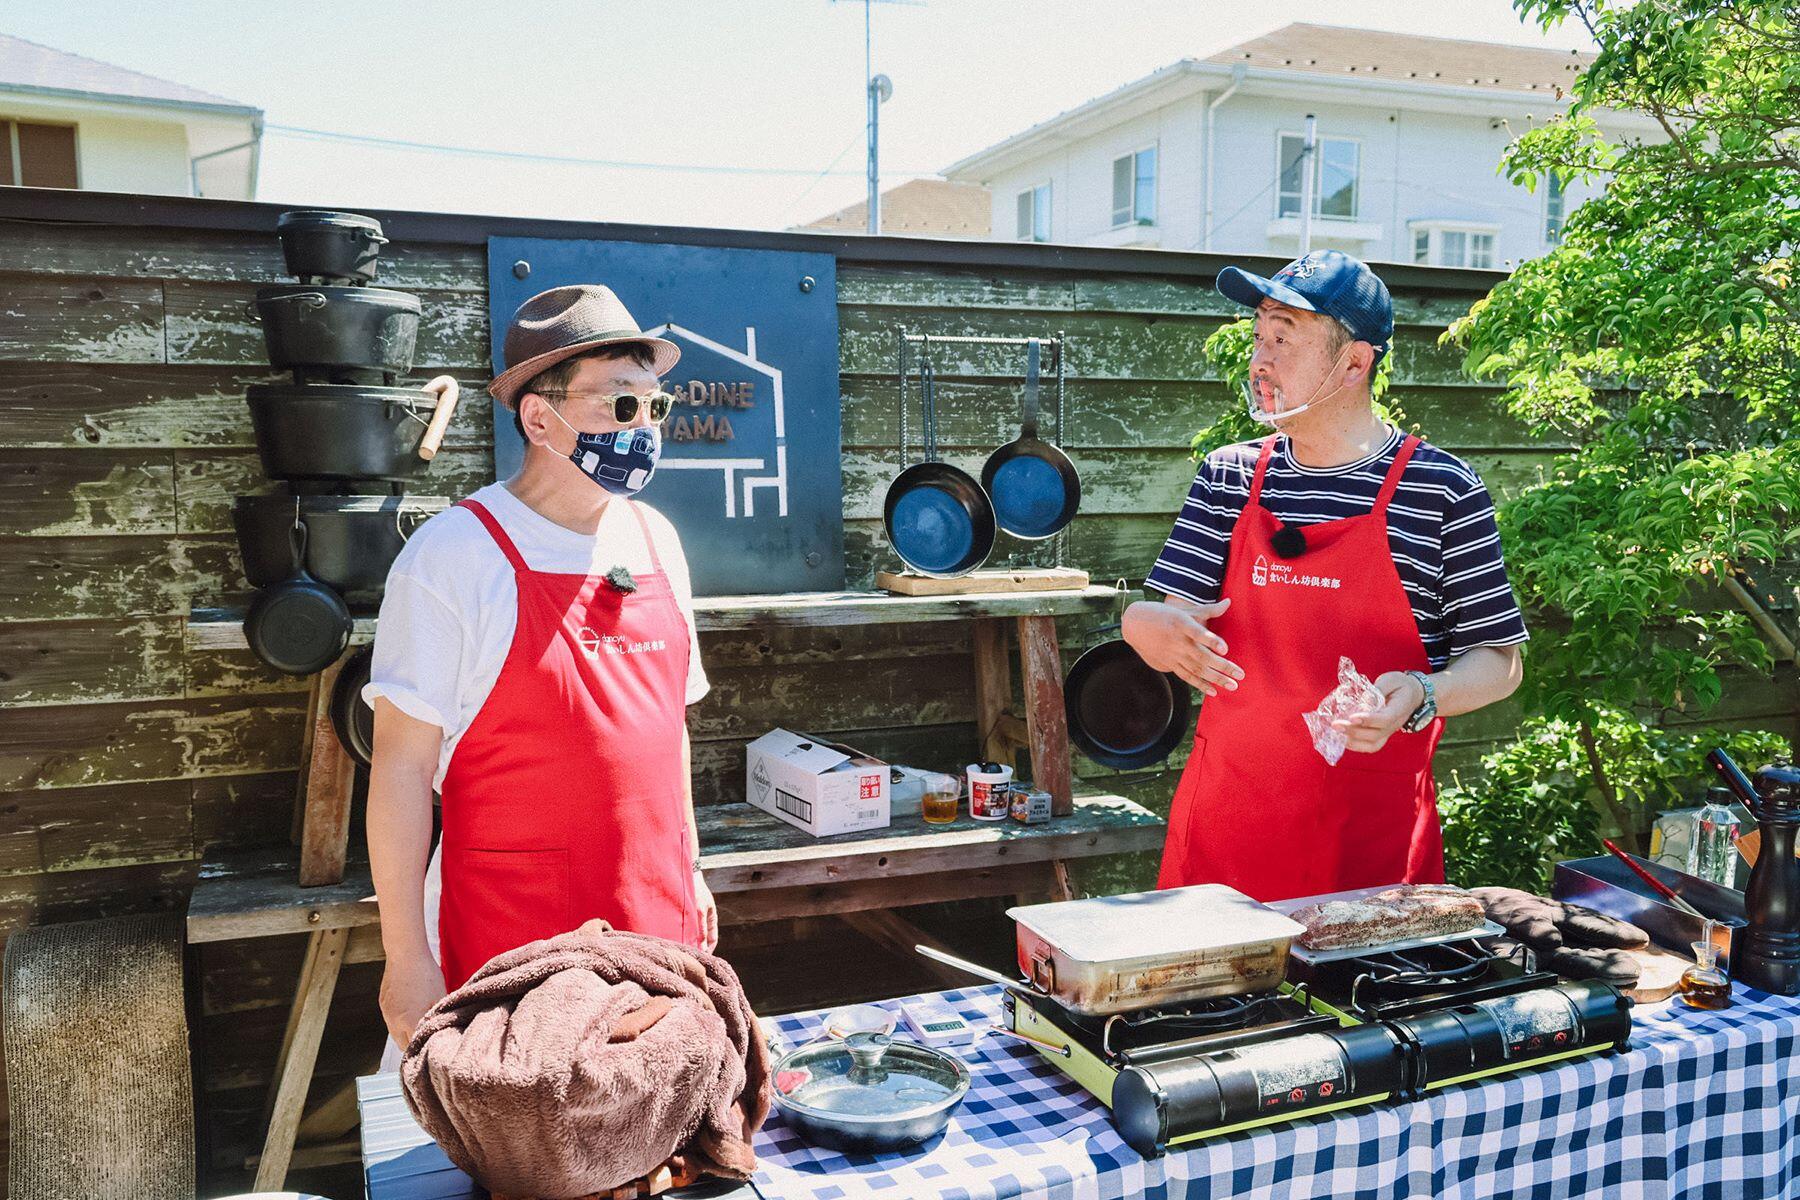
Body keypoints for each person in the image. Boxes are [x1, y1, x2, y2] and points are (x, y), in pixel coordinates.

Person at [365, 284, 714, 1062]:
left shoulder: (657, 541)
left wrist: (692, 868)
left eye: (654, 409)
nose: (645, 430)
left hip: (655, 925)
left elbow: (670, 732)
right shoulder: (454, 556)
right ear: (539, 417)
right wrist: (405, 960)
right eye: (620, 406)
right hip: (511, 939)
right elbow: (398, 769)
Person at [1124, 250, 1527, 903]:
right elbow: (1176, 626)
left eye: (1284, 338)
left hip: (1372, 857)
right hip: (1226, 845)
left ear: (1354, 362)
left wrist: (1422, 694)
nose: (1260, 359)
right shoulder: (1227, 477)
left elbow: (1500, 663)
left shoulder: (1442, 489)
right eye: (1259, 336)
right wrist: (1144, 628)